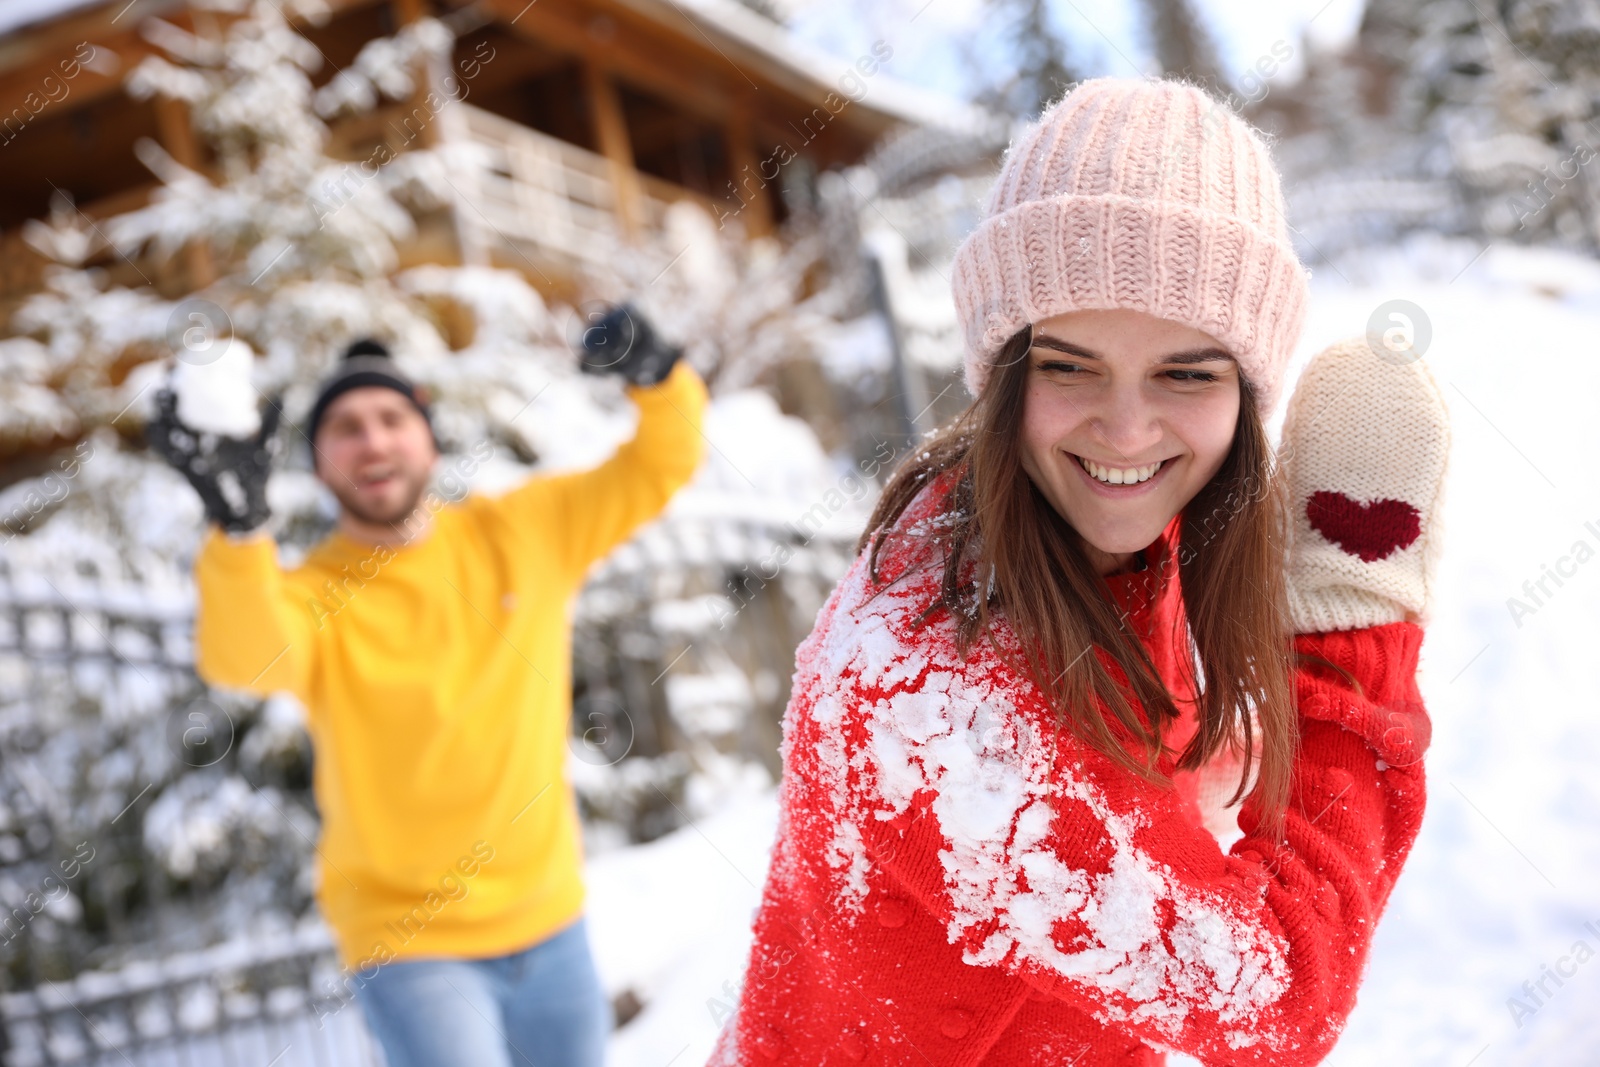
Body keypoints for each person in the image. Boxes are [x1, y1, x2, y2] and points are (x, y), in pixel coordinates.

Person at [709, 77, 1452, 1065]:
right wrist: (1351, 632)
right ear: (1004, 370)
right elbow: (1266, 993)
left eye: (1185, 371)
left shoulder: (1101, 538)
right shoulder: (927, 695)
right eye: (1069, 364)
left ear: (1243, 395)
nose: (1128, 429)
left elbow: (1146, 771)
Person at [148, 308, 708, 1067]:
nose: (373, 440)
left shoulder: (523, 533)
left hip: (551, 919)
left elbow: (658, 465)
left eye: (390, 417)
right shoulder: (316, 594)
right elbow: (242, 657)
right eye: (345, 427)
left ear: (428, 438)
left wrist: (660, 374)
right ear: (319, 464)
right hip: (411, 941)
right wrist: (239, 528)